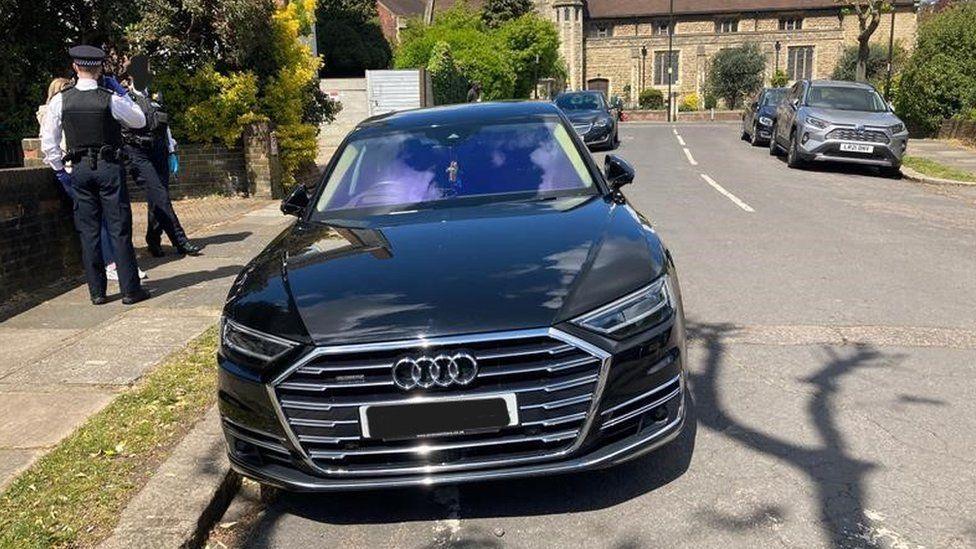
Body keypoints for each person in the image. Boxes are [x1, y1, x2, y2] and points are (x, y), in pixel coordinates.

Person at [40, 45, 151, 305]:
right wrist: (121, 92)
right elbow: (139, 120)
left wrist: (60, 171)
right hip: (109, 167)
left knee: (88, 231)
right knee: (118, 228)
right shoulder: (108, 97)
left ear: (75, 67)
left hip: (78, 169)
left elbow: (49, 143)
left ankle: (97, 292)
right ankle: (130, 290)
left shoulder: (60, 100)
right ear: (100, 68)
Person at [122, 55, 200, 257]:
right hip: (138, 153)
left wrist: (171, 151)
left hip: (160, 151)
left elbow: (165, 126)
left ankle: (153, 240)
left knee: (157, 197)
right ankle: (180, 240)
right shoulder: (124, 98)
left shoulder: (156, 96)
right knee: (160, 195)